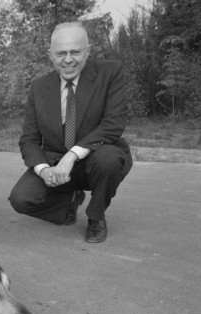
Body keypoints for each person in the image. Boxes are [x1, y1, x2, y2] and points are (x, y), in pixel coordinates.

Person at [9, 22, 133, 243]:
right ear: (51, 55)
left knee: (109, 159)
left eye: (75, 52)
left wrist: (72, 154)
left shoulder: (111, 73)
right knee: (21, 199)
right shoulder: (39, 87)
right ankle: (69, 201)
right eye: (61, 53)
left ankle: (96, 217)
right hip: (56, 162)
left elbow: (113, 124)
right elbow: (29, 139)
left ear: (88, 50)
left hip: (97, 156)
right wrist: (43, 169)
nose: (68, 60)